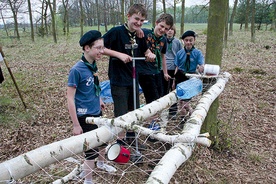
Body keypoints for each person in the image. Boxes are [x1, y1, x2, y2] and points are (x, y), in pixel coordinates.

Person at [67, 30, 116, 184]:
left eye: (103, 48)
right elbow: (70, 98)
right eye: (98, 48)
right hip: (85, 117)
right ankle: (88, 180)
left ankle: (101, 164)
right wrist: (76, 124)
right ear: (87, 48)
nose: (102, 52)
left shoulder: (92, 65)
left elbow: (95, 86)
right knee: (91, 151)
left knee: (103, 140)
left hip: (96, 112)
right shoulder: (77, 70)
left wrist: (99, 99)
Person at [102, 4, 155, 147]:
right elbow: (100, 47)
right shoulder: (116, 32)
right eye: (136, 19)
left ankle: (132, 138)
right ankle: (121, 142)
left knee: (134, 110)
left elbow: (145, 51)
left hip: (133, 79)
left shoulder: (140, 34)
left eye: (142, 20)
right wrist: (118, 54)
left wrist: (149, 54)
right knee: (121, 112)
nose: (138, 23)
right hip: (118, 79)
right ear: (128, 16)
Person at [137, 13, 174, 124]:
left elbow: (163, 57)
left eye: (166, 29)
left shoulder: (163, 40)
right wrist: (138, 29)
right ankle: (152, 124)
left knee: (160, 98)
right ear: (156, 23)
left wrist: (165, 73)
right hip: (144, 72)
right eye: (161, 26)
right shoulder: (144, 33)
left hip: (156, 71)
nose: (162, 30)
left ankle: (154, 121)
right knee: (153, 100)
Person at [173, 30, 204, 116]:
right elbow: (177, 66)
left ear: (194, 40)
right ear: (183, 41)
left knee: (185, 101)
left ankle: (190, 113)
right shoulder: (179, 53)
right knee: (181, 100)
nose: (188, 42)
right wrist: (174, 80)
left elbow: (201, 64)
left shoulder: (197, 53)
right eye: (186, 40)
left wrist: (201, 67)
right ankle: (183, 119)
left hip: (190, 77)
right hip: (180, 76)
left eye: (191, 40)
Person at [162, 25, 183, 119]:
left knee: (174, 90)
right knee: (164, 90)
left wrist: (177, 69)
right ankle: (162, 111)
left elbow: (180, 55)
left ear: (174, 32)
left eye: (172, 30)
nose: (170, 31)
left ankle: (173, 112)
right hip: (163, 68)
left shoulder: (177, 42)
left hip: (174, 69)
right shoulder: (162, 40)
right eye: (168, 29)